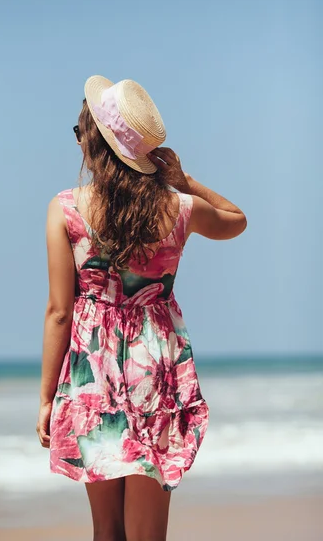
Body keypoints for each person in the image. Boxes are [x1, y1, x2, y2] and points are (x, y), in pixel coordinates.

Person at [36, 75, 247, 541]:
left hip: (93, 373)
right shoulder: (179, 208)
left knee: (106, 530)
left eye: (79, 132)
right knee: (148, 535)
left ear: (95, 142)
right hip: (156, 367)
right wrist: (183, 181)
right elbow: (237, 221)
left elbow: (59, 311)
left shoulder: (66, 209)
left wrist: (48, 397)